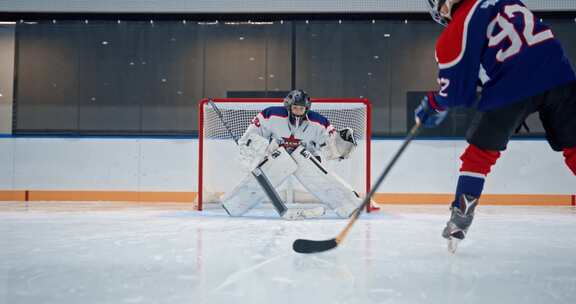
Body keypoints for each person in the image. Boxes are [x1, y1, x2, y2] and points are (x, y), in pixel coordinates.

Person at [417, 0, 576, 252]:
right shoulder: (506, 1)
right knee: (574, 148)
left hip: (511, 86)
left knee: (478, 155)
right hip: (559, 73)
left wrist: (432, 104)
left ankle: (460, 219)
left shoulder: (457, 28)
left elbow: (458, 94)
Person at [221, 90, 362, 220]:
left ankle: (348, 205)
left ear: (307, 109)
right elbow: (252, 135)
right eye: (295, 108)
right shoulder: (271, 115)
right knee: (257, 182)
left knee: (324, 181)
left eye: (301, 109)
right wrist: (252, 153)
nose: (298, 111)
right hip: (277, 157)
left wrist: (342, 145)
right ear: (288, 107)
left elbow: (330, 146)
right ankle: (234, 204)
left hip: (304, 158)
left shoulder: (318, 122)